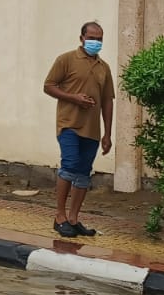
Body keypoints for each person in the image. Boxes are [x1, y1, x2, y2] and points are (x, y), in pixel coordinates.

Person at [42, 21, 115, 238]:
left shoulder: (104, 67)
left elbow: (107, 101)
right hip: (69, 124)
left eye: (100, 39)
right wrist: (74, 98)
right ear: (82, 38)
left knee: (83, 173)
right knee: (70, 165)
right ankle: (60, 216)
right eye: (92, 38)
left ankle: (73, 219)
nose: (96, 42)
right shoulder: (66, 59)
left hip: (91, 129)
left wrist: (107, 133)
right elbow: (48, 86)